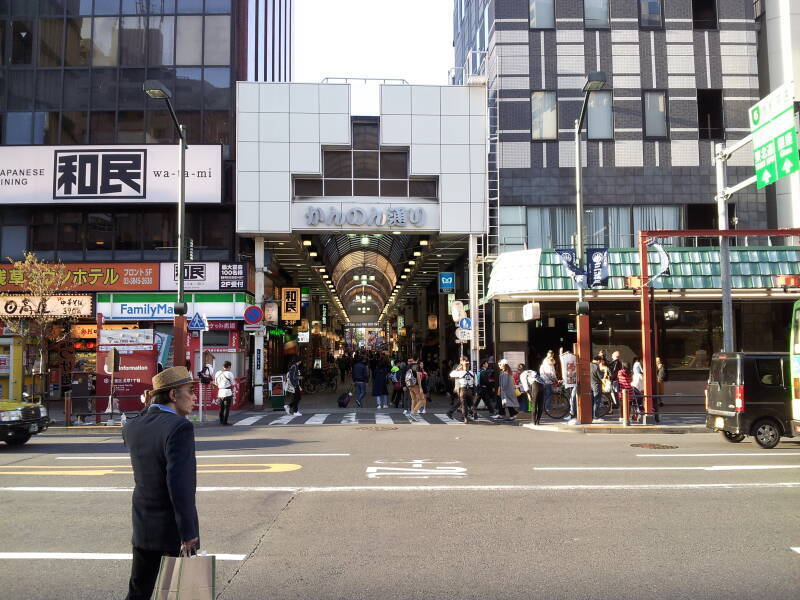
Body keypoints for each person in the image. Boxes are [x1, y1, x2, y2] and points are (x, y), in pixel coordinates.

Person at [122, 366, 199, 600]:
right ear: (173, 395)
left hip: (143, 521)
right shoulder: (179, 427)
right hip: (171, 528)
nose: (194, 397)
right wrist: (188, 532)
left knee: (139, 589)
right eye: (190, 391)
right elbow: (179, 485)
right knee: (176, 592)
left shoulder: (132, 426)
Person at [448, 356, 476, 422]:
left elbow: (451, 374)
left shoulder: (460, 371)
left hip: (463, 389)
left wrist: (457, 370)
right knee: (467, 403)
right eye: (465, 360)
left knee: (463, 403)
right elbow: (456, 379)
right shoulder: (471, 372)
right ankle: (472, 412)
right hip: (466, 388)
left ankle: (464, 416)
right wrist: (456, 386)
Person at [560, 348, 578, 421]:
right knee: (571, 398)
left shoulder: (574, 358)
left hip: (574, 382)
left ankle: (573, 414)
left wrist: (561, 353)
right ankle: (572, 413)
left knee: (573, 398)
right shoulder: (572, 359)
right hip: (570, 381)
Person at [214, 361, 234, 425]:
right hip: (228, 392)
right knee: (227, 408)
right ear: (229, 367)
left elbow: (216, 383)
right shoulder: (229, 374)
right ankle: (225, 422)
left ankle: (221, 421)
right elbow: (232, 383)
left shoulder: (217, 373)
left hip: (220, 392)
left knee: (221, 408)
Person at [589, 355, 605, 423]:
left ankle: (592, 416)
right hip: (596, 385)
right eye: (600, 361)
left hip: (590, 385)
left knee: (592, 402)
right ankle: (595, 417)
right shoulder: (596, 366)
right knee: (597, 402)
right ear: (598, 360)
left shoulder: (589, 364)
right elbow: (601, 376)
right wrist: (603, 371)